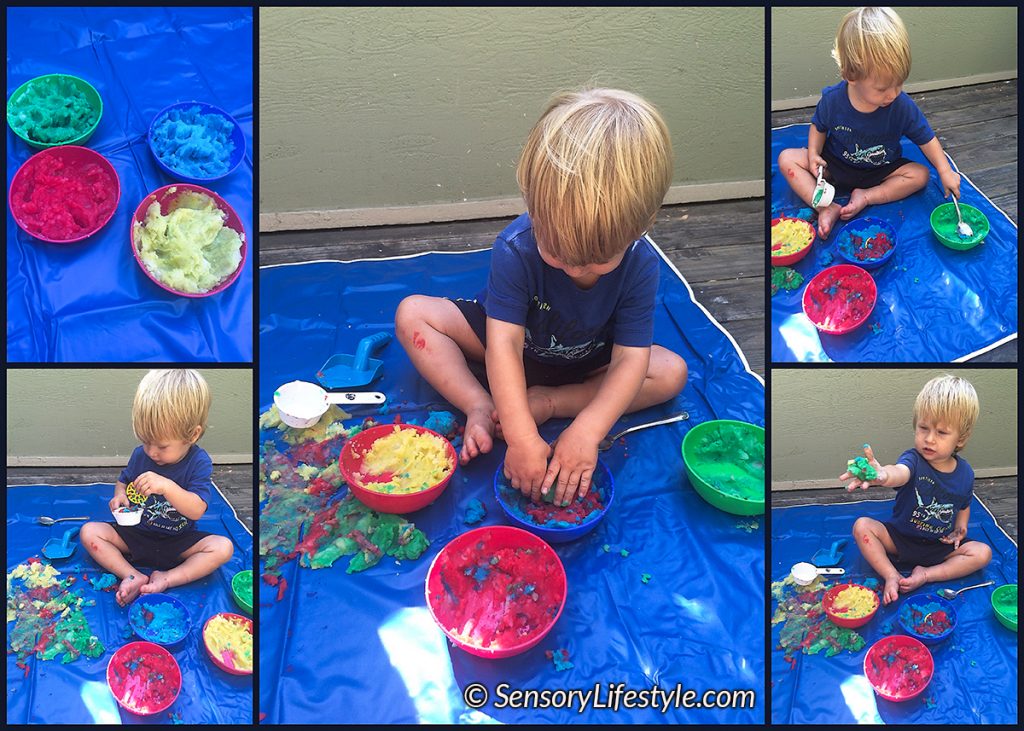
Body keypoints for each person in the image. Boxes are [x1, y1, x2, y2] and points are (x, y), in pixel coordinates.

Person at [396, 88, 687, 506]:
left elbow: (629, 359)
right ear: (534, 205)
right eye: (556, 252)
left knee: (671, 372)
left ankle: (551, 401)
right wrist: (519, 436)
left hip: (589, 357)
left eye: (598, 260)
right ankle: (479, 405)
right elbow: (503, 344)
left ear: (641, 226)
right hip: (510, 344)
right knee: (413, 315)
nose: (575, 269)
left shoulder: (641, 263)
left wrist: (587, 430)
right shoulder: (515, 247)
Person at [777, 7, 962, 238]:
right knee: (786, 159)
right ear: (850, 76)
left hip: (881, 170)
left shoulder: (901, 106)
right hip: (836, 165)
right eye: (883, 88)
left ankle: (866, 196)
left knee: (920, 175)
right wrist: (814, 153)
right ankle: (826, 207)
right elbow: (819, 126)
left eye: (899, 84)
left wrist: (944, 170)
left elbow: (927, 139)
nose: (893, 94)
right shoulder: (833, 100)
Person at [80, 370, 233, 605]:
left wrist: (167, 487)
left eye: (162, 446)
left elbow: (197, 510)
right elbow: (124, 480)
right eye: (146, 441)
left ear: (192, 435)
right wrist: (120, 496)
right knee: (89, 532)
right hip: (136, 535)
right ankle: (132, 575)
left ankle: (167, 578)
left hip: (178, 541)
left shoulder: (199, 462)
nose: (151, 452)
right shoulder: (140, 455)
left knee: (223, 548)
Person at [844, 374, 992, 605]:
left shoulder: (966, 473)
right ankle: (891, 574)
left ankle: (926, 574)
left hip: (939, 547)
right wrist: (882, 475)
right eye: (923, 428)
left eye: (941, 432)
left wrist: (961, 528)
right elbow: (899, 472)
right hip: (900, 540)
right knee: (862, 526)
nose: (929, 439)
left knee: (983, 553)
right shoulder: (913, 459)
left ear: (960, 439)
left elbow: (964, 504)